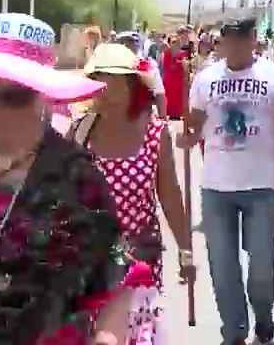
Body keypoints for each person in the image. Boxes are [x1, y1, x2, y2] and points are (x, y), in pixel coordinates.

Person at [0, 13, 135, 343]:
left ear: (42, 96)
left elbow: (114, 279)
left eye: (13, 96)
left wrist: (108, 336)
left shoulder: (76, 178)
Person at [178, 17, 274, 345]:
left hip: (261, 186)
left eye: (240, 39)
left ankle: (263, 317)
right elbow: (196, 122)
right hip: (216, 187)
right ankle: (233, 332)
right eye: (227, 40)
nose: (233, 46)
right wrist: (188, 134)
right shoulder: (205, 80)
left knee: (261, 267)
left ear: (253, 41)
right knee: (223, 266)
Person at [74, 43, 197, 345]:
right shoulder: (80, 132)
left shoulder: (154, 134)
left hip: (138, 260)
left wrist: (185, 250)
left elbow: (169, 196)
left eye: (110, 80)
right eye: (97, 80)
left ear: (131, 85)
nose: (101, 89)